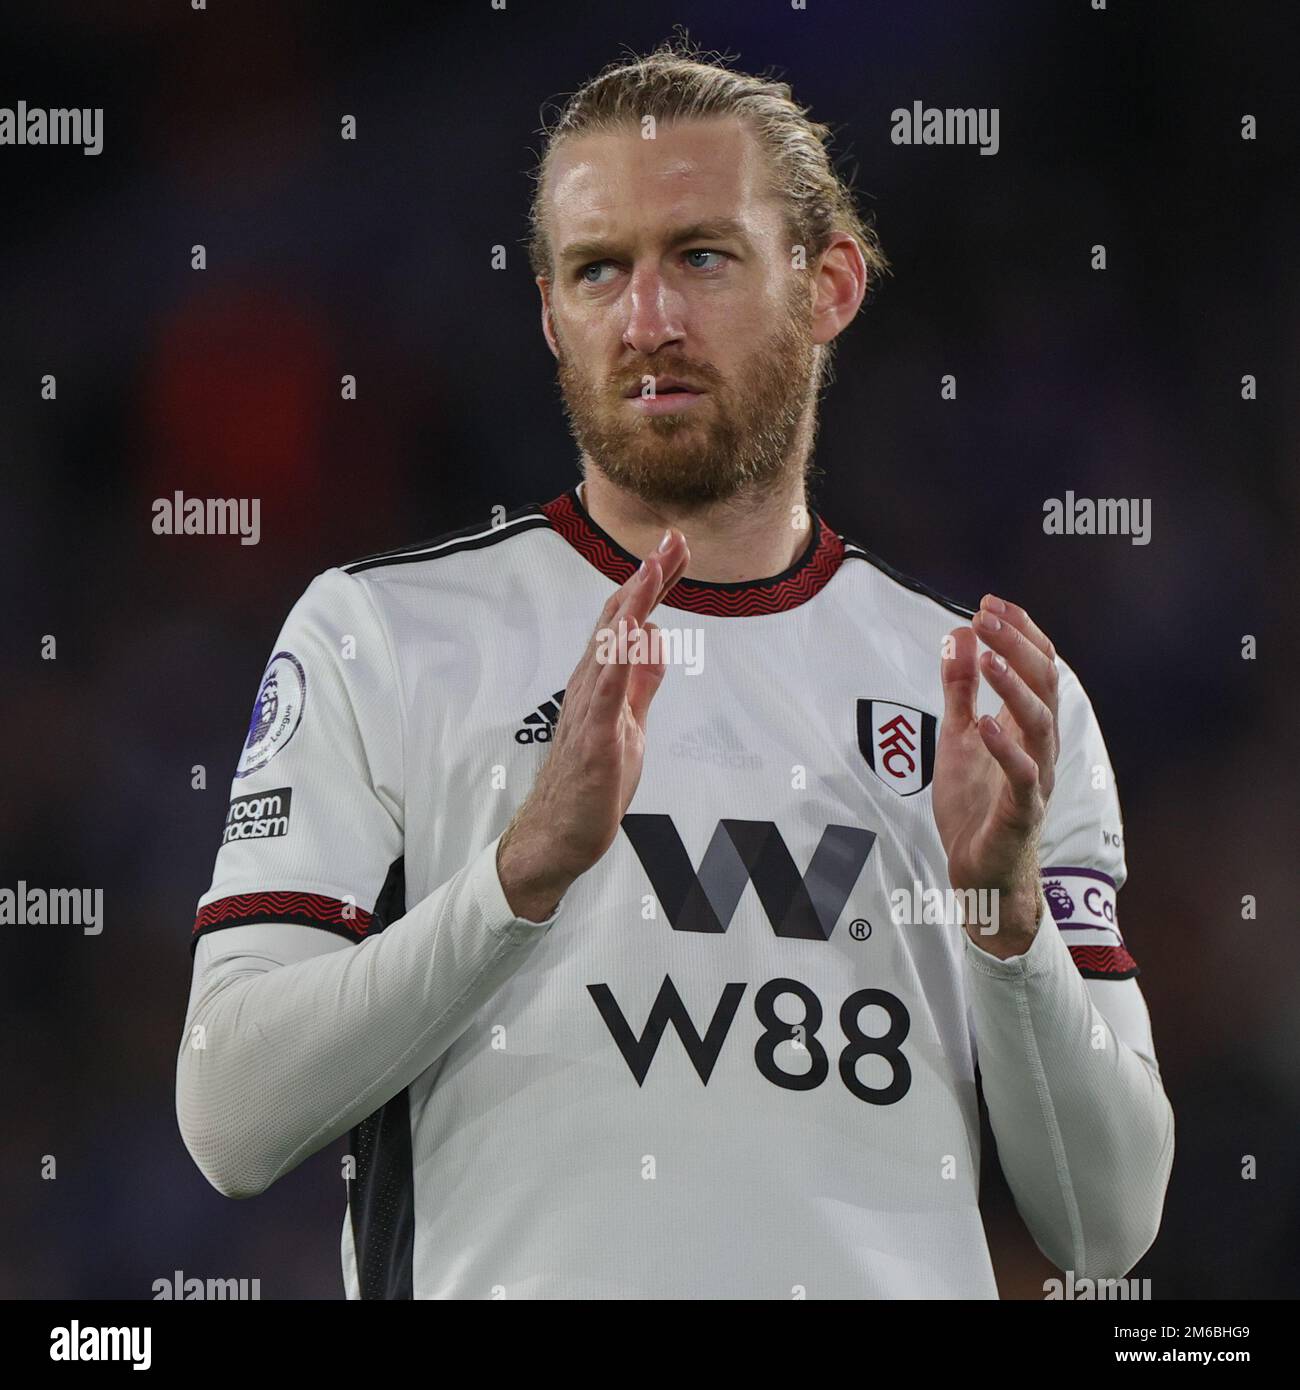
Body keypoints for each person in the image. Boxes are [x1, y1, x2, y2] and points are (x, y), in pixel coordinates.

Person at [176, 37, 1173, 1299]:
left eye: (701, 255)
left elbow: (1108, 1219)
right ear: (550, 313)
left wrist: (1001, 915)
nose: (647, 320)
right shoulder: (384, 637)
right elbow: (229, 1113)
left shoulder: (986, 695)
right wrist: (521, 871)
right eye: (600, 270)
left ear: (829, 286)